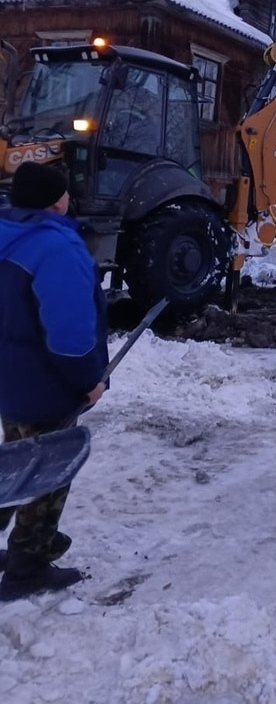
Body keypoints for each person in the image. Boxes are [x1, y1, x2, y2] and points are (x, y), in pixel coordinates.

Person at [0, 162, 109, 600]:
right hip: (47, 386)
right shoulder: (56, 248)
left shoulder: (7, 232)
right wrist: (89, 380)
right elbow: (69, 336)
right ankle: (28, 565)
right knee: (48, 471)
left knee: (15, 461)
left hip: (10, 379)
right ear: (57, 200)